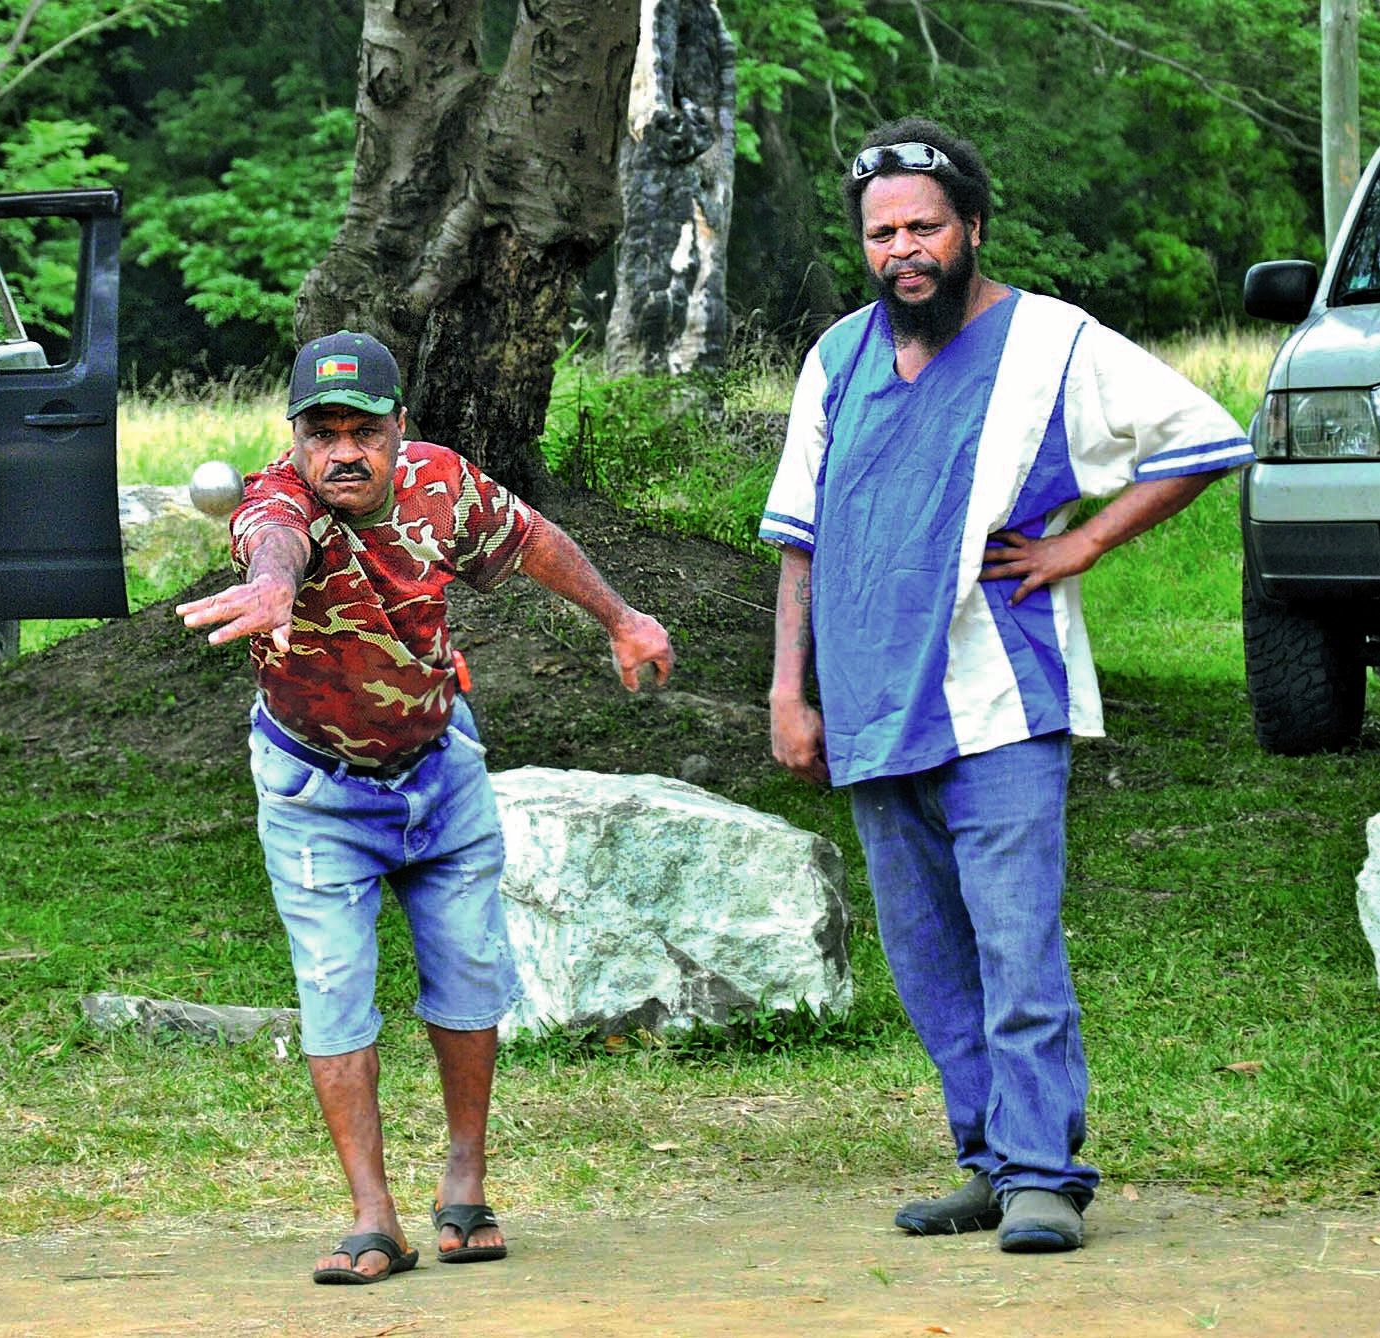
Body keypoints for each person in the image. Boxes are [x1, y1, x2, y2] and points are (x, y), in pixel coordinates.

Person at [760, 118, 1253, 1253]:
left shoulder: (1050, 342)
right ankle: (984, 1162)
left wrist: (1082, 543)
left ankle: (1041, 1175)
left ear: (971, 227)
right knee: (927, 957)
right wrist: (789, 690)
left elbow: (1201, 436)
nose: (902, 250)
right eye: (881, 233)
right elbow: (798, 538)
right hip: (869, 702)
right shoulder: (835, 357)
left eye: (923, 226)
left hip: (999, 695)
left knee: (1013, 943)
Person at [178, 331, 674, 1284]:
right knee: (333, 989)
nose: (342, 454)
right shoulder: (274, 500)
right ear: (295, 437)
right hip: (317, 791)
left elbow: (534, 541)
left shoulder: (442, 484)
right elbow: (272, 546)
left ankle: (465, 1182)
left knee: (470, 976)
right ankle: (373, 1218)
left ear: (398, 427)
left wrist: (622, 619)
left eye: (362, 432)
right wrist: (271, 588)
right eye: (321, 434)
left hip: (440, 771)